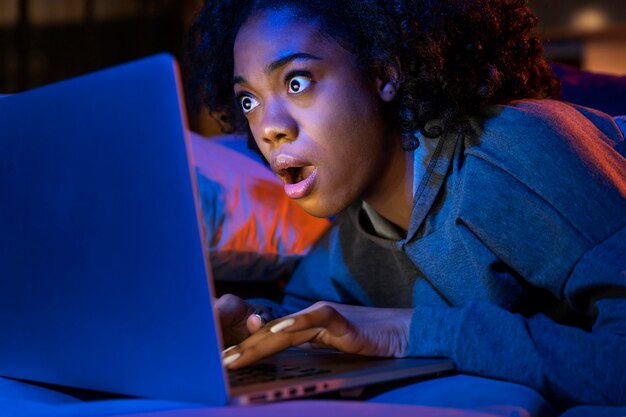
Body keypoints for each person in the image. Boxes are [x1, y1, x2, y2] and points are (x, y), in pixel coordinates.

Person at [185, 0, 626, 414]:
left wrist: (407, 331)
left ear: (383, 75)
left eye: (296, 82)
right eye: (250, 100)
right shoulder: (354, 235)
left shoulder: (515, 154)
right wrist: (259, 324)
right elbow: (317, 314)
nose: (270, 129)